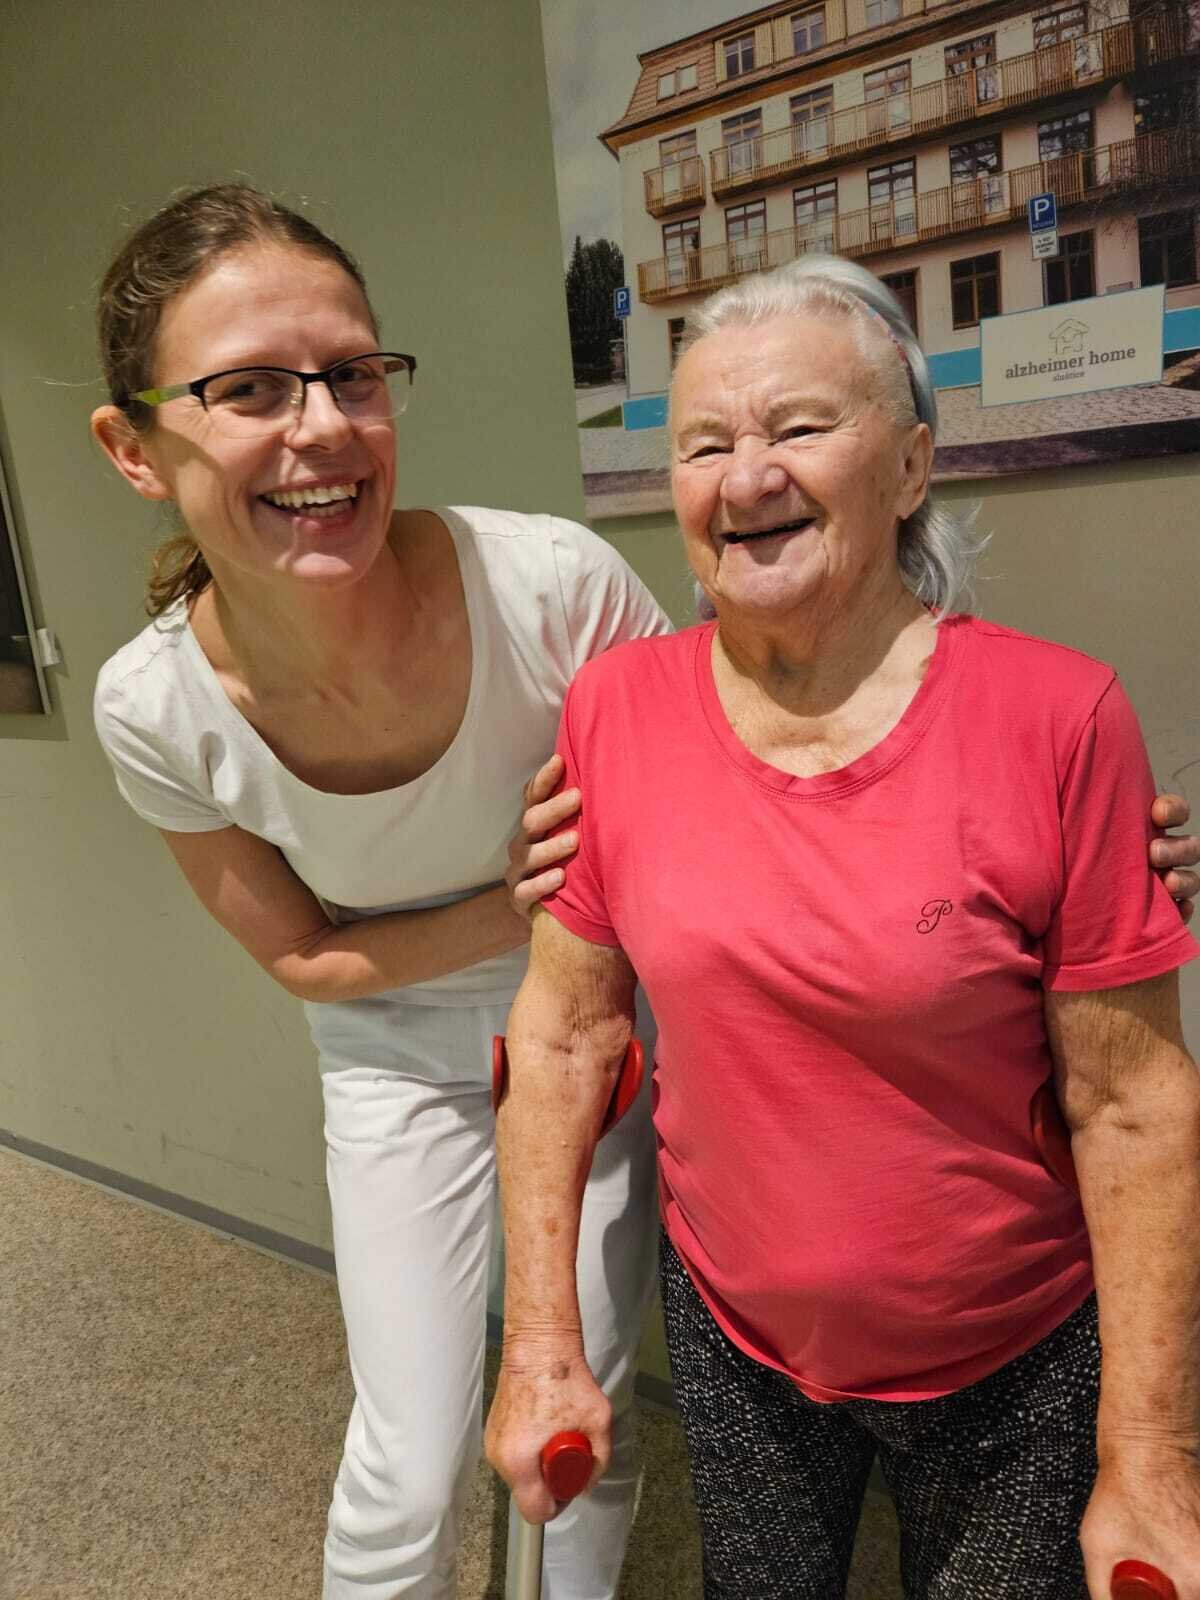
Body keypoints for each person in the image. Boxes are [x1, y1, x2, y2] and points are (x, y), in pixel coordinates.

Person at [485, 254, 1200, 1600]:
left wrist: (1152, 1451)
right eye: (705, 443)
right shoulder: (614, 710)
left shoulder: (1059, 719)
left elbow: (1133, 1104)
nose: (746, 475)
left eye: (800, 426)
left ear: (912, 465)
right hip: (734, 1330)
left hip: (1016, 1352)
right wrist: (539, 1344)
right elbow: (566, 1036)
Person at [88, 184, 673, 1600]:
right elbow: (305, 958)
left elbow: (735, 784)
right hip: (392, 1050)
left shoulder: (554, 587)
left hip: (594, 1021)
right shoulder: (154, 708)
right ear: (135, 448)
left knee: (577, 1408)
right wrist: (516, 898)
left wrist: (1025, 834)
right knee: (409, 1463)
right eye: (248, 389)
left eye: (352, 374)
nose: (324, 428)